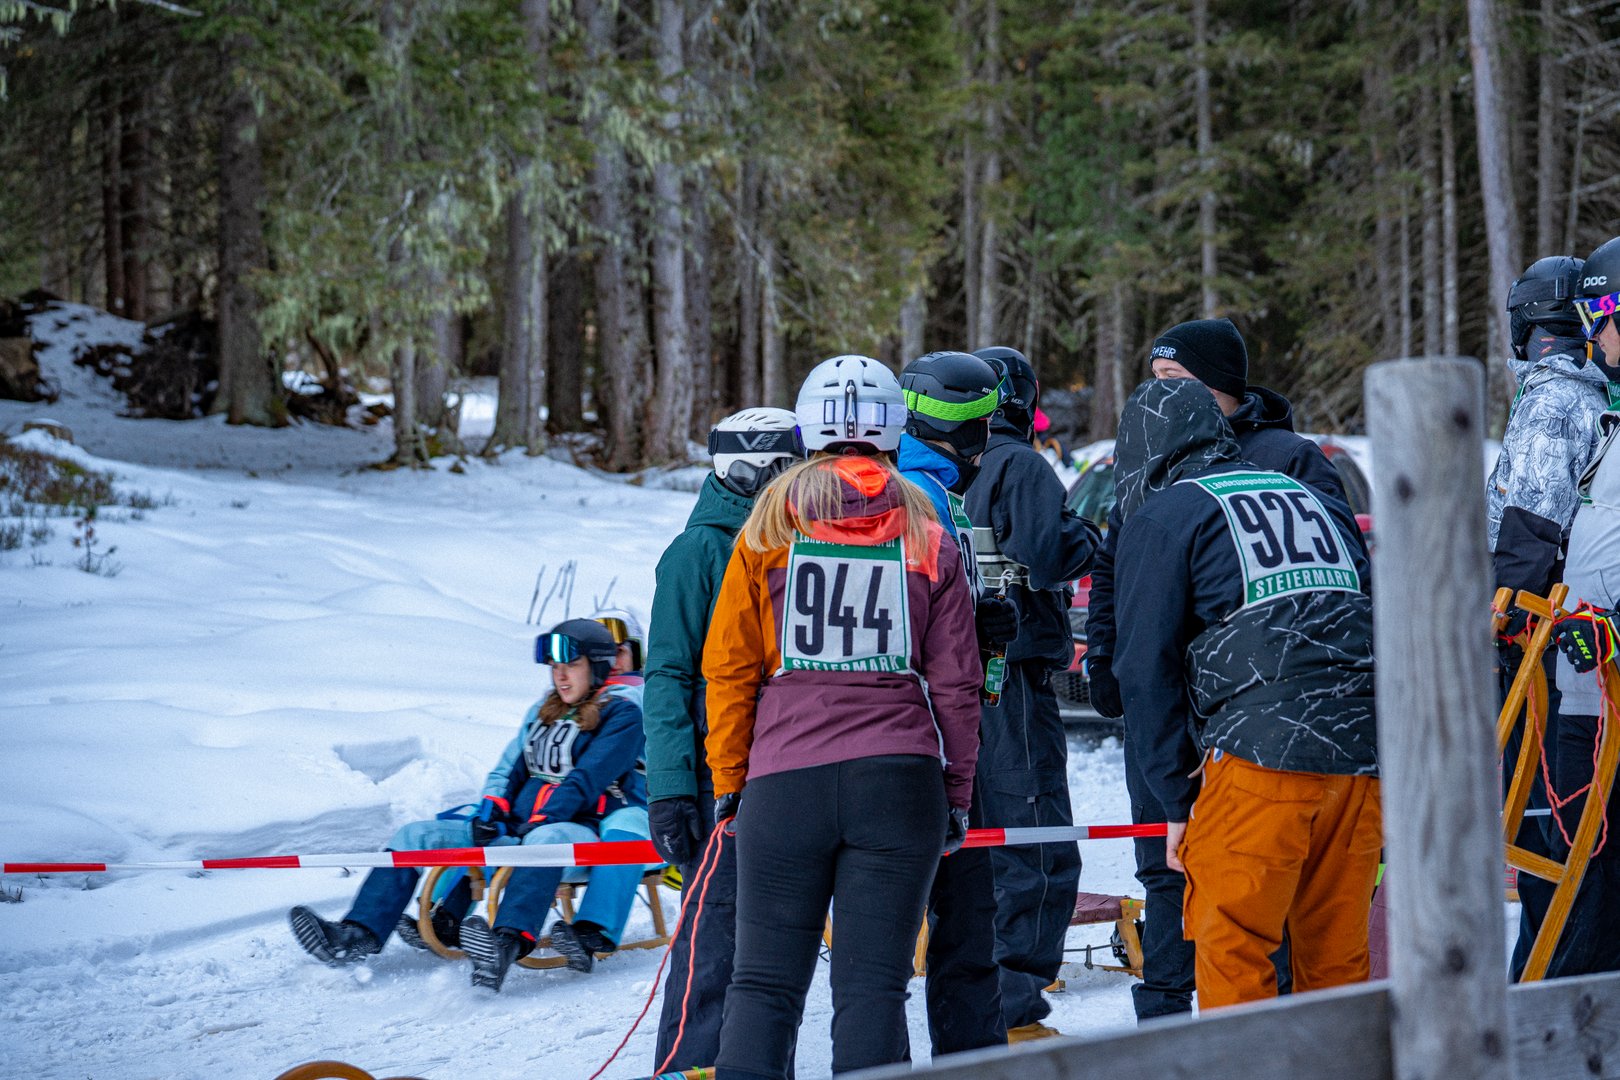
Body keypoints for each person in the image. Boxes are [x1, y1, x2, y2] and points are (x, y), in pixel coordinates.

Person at [704, 355, 983, 1080]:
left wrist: (729, 782)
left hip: (784, 781)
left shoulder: (767, 529)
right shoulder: (926, 534)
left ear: (807, 430)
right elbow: (957, 683)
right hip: (900, 782)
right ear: (894, 431)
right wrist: (956, 792)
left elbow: (729, 668)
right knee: (873, 991)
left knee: (762, 986)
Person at [1084, 317, 1337, 1019]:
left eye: (1175, 380)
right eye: (1154, 380)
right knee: (1164, 866)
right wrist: (1107, 654)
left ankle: (1271, 1026)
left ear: (1219, 385)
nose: (1158, 395)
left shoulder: (1288, 457)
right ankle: (1164, 1014)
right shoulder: (1151, 455)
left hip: (1255, 713)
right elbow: (1113, 561)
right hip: (1167, 701)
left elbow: (1337, 574)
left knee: (1258, 892)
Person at [286, 618, 651, 993]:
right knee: (413, 835)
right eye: (555, 666)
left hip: (576, 834)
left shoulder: (622, 714)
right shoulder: (547, 711)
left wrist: (540, 820)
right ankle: (356, 934)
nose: (560, 675)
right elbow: (515, 770)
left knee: (545, 841)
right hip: (520, 827)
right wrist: (491, 813)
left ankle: (506, 944)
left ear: (598, 666)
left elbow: (587, 778)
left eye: (571, 665)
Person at [643, 407, 803, 1073]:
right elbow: (667, 673)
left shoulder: (796, 542)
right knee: (715, 935)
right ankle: (688, 1064)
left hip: (782, 767)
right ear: (759, 471)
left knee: (774, 944)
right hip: (717, 778)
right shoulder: (698, 552)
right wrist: (671, 789)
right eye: (793, 468)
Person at [963, 345, 1100, 1040]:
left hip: (954, 680)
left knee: (977, 838)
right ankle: (1012, 1006)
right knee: (1035, 839)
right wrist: (1088, 536)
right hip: (1010, 677)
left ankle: (975, 1002)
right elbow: (1049, 552)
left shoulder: (942, 468)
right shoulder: (1018, 464)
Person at [1480, 254, 1611, 977]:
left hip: (1546, 648)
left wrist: (1499, 624)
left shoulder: (1554, 399)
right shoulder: (1600, 397)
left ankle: (1543, 984)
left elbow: (1532, 519)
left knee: (1545, 824)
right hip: (1576, 640)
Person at [898, 350, 1019, 1055]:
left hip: (934, 734)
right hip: (931, 743)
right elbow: (919, 631)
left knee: (952, 928)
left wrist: (985, 627)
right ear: (967, 430)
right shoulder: (918, 500)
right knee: (964, 925)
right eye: (986, 426)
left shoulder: (937, 495)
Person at [1539, 233, 1620, 978]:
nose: (1597, 334)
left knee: (1594, 898)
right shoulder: (1599, 414)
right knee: (1578, 879)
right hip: (1582, 689)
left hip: (1605, 684)